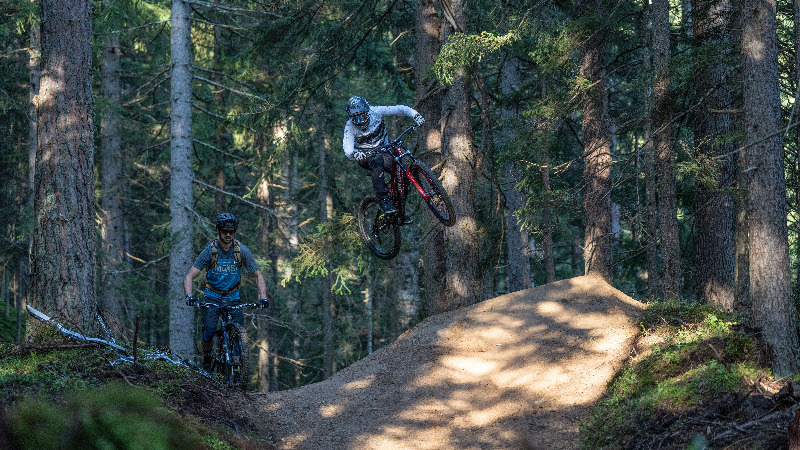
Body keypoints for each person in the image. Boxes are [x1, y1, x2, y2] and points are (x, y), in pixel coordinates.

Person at [183, 212, 269, 369]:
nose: (228, 234)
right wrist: (189, 296)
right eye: (224, 231)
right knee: (209, 331)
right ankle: (208, 358)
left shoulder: (241, 251)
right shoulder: (210, 251)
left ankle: (236, 369)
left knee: (238, 333)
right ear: (218, 230)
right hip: (212, 296)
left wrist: (263, 297)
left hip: (233, 297)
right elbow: (190, 276)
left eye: (231, 231)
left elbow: (257, 275)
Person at [343, 95, 425, 217]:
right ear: (350, 118)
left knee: (402, 172)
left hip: (384, 151)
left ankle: (401, 210)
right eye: (355, 118)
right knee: (376, 160)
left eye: (362, 116)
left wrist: (415, 115)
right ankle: (383, 199)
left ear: (368, 111)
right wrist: (355, 154)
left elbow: (400, 109)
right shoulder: (349, 126)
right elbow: (347, 147)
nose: (360, 121)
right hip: (365, 156)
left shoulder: (376, 111)